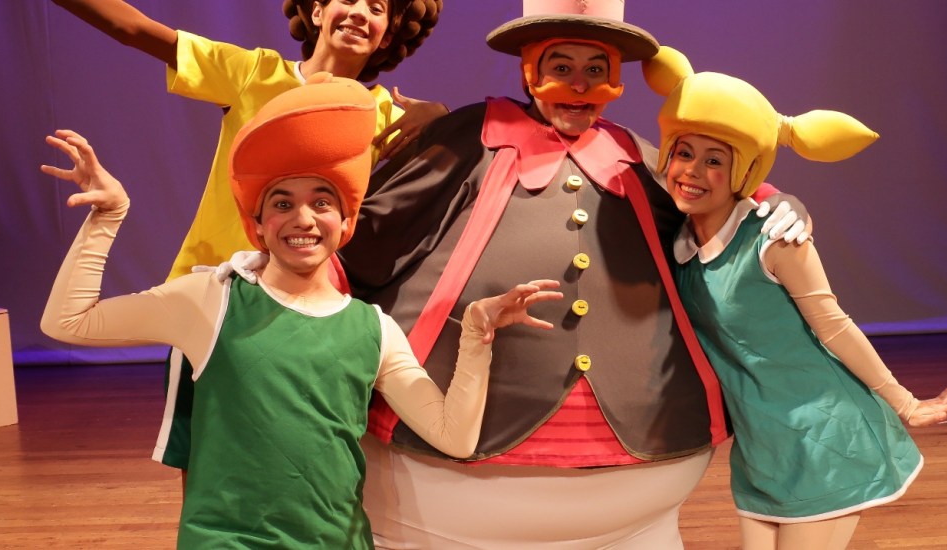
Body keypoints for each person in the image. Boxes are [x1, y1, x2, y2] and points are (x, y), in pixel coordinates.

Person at [265, 1, 807, 547]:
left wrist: (770, 201)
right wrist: (288, 257)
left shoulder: (628, 154)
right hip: (458, 426)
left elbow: (704, 205)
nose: (579, 84)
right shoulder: (473, 134)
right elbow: (377, 226)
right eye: (561, 67)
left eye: (595, 69)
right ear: (530, 70)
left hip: (646, 426)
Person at [39, 75, 562, 548]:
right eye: (282, 204)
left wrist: (476, 333)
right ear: (258, 226)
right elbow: (68, 322)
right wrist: (108, 216)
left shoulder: (372, 329)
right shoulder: (212, 299)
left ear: (346, 222)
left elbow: (455, 436)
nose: (303, 218)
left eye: (322, 202)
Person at [51, 0, 447, 473]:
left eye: (377, 6)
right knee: (204, 458)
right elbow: (133, 28)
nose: (360, 11)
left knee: (300, 456)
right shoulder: (252, 73)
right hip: (215, 301)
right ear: (316, 11)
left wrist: (439, 118)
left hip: (306, 311)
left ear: (389, 32)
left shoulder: (385, 115)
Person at [643, 46, 947, 549]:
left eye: (715, 161)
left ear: (744, 170)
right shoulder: (679, 244)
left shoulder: (774, 237)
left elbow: (834, 325)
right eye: (684, 153)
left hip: (826, 439)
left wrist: (907, 404)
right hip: (763, 448)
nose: (692, 171)